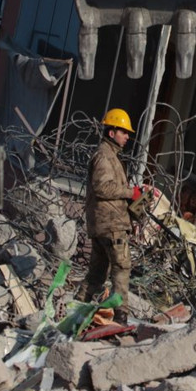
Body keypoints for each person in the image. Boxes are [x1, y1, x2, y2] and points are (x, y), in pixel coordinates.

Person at [77, 108, 145, 324]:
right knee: (122, 268)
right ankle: (121, 315)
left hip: (103, 225)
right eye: (124, 132)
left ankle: (76, 310)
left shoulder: (109, 156)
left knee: (97, 273)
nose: (127, 137)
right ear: (111, 132)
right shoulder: (104, 156)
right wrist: (130, 192)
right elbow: (103, 188)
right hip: (111, 225)